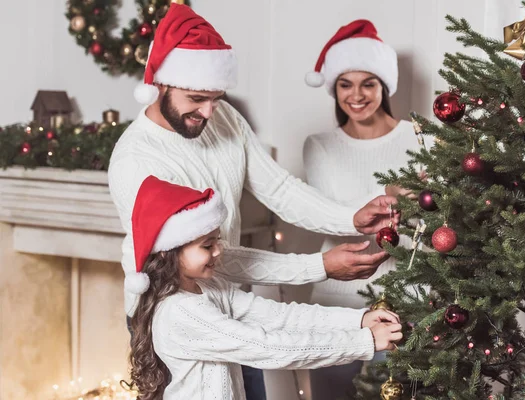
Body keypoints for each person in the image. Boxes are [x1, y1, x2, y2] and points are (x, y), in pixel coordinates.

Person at [108, 5, 401, 399]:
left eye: (217, 97)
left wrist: (351, 217)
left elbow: (279, 189)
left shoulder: (222, 116)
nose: (209, 112)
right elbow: (199, 258)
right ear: (162, 84)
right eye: (197, 97)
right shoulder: (136, 161)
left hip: (220, 292)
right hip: (183, 303)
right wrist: (319, 268)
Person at [127, 175, 403, 400]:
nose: (218, 252)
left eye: (217, 241)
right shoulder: (180, 312)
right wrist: (363, 341)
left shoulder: (210, 287)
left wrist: (357, 320)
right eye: (207, 246)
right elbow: (269, 347)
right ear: (167, 252)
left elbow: (279, 316)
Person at [303, 19, 423, 400]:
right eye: (345, 84)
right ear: (334, 89)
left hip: (405, 297)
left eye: (367, 83)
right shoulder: (318, 145)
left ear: (383, 87)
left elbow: (428, 219)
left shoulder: (419, 138)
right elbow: (330, 213)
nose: (356, 95)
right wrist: (388, 192)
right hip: (335, 301)